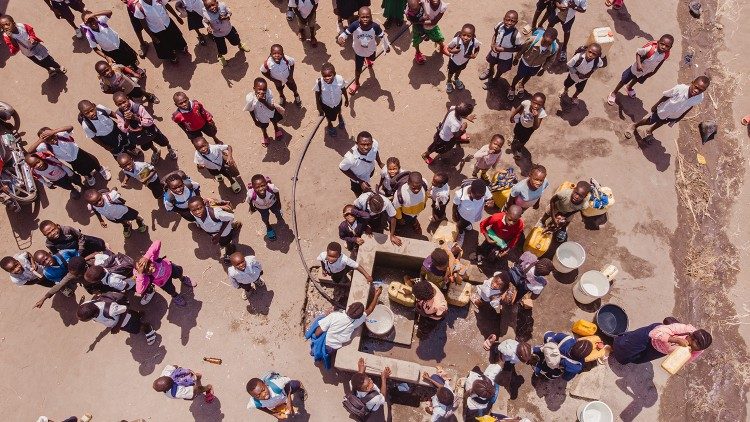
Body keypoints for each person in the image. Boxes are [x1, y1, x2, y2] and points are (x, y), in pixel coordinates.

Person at [307, 285, 382, 364]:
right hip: (334, 346)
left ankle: (314, 353)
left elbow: (318, 332)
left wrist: (316, 335)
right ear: (360, 316)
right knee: (327, 352)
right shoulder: (360, 320)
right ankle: (320, 358)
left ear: (348, 306)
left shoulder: (335, 316)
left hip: (326, 342)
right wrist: (376, 296)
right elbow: (370, 309)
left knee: (320, 323)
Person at [627, 76, 710, 145]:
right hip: (664, 110)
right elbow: (666, 96)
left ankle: (650, 130)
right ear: (692, 82)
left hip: (674, 115)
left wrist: (680, 117)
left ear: (704, 91)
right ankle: (635, 125)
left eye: (700, 90)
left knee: (661, 122)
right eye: (696, 87)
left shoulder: (700, 98)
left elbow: (690, 106)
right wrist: (656, 106)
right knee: (650, 120)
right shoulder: (680, 88)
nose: (696, 91)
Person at [29, 126, 111, 187]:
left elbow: (70, 127)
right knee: (81, 170)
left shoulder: (61, 134)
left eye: (52, 136)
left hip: (79, 153)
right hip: (71, 161)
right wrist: (40, 140)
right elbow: (30, 151)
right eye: (48, 139)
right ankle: (89, 176)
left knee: (92, 161)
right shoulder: (44, 146)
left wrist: (54, 131)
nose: (52, 140)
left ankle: (100, 169)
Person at [607, 35, 674, 106]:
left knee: (636, 80)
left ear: (670, 47)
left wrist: (654, 72)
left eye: (667, 46)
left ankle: (628, 88)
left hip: (646, 72)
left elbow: (660, 63)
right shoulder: (650, 49)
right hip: (635, 69)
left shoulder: (665, 54)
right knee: (624, 80)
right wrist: (639, 64)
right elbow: (638, 53)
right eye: (662, 44)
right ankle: (614, 92)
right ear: (658, 42)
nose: (664, 47)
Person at [336, 6, 390, 95]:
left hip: (371, 50)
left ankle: (368, 60)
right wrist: (340, 39)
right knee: (358, 69)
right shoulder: (354, 25)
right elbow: (345, 34)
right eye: (363, 17)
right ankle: (356, 82)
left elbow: (382, 36)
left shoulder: (375, 27)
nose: (365, 19)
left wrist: (386, 46)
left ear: (371, 16)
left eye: (367, 17)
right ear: (359, 16)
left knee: (372, 59)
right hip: (359, 52)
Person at [613, 317, 712, 365]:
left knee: (637, 360)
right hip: (652, 336)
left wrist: (680, 358)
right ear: (690, 335)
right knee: (623, 348)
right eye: (691, 340)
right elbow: (653, 333)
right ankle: (616, 341)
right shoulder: (684, 329)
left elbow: (684, 361)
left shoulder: (698, 351)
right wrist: (676, 340)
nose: (689, 344)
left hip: (661, 349)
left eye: (695, 347)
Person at [112, 92, 175, 163]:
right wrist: (127, 120)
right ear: (116, 104)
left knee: (164, 141)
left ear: (127, 98)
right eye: (119, 104)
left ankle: (170, 148)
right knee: (147, 144)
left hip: (150, 131)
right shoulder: (119, 114)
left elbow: (150, 121)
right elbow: (123, 130)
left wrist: (136, 118)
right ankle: (155, 151)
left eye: (124, 102)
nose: (123, 105)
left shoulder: (138, 107)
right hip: (139, 136)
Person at [77, 291, 158, 345]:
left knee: (135, 327)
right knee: (134, 315)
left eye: (88, 319)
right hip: (121, 317)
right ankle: (138, 316)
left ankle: (147, 327)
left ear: (94, 315)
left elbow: (125, 309)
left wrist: (117, 326)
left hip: (125, 321)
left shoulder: (110, 311)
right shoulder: (87, 304)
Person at [81, 10, 143, 74]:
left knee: (130, 57)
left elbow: (109, 12)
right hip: (111, 52)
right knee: (121, 64)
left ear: (96, 18)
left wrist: (94, 14)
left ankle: (136, 68)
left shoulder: (101, 21)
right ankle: (131, 72)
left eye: (93, 19)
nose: (92, 23)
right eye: (89, 22)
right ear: (85, 24)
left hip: (120, 44)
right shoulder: (89, 34)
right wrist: (106, 56)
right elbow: (95, 48)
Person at [0, 15, 66, 76]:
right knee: (40, 62)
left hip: (36, 46)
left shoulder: (21, 26)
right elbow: (14, 48)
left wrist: (32, 38)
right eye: (3, 26)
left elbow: (30, 31)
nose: (6, 27)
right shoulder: (6, 36)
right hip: (29, 53)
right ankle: (49, 69)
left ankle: (58, 66)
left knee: (48, 58)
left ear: (14, 23)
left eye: (7, 24)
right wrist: (11, 37)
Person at [134, 240, 193, 306]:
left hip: (171, 268)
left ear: (149, 260)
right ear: (144, 273)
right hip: (164, 283)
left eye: (149, 265)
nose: (150, 269)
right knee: (171, 290)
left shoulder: (153, 258)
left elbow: (157, 242)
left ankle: (183, 279)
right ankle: (175, 296)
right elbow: (139, 290)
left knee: (179, 272)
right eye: (146, 270)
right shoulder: (145, 277)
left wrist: (146, 256)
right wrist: (140, 273)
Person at [509, 28, 558, 100]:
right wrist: (516, 58)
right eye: (544, 41)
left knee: (529, 75)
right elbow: (523, 49)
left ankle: (521, 84)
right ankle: (512, 87)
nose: (545, 44)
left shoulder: (554, 48)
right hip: (525, 63)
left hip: (536, 66)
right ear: (543, 35)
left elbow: (550, 60)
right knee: (519, 75)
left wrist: (543, 69)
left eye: (549, 43)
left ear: (553, 40)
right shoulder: (533, 40)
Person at [188, 196, 240, 261]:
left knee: (225, 243)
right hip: (213, 232)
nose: (197, 212)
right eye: (194, 210)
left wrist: (219, 235)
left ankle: (230, 250)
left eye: (200, 208)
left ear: (204, 205)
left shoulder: (215, 214)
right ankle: (234, 227)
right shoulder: (193, 213)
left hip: (224, 233)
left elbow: (230, 218)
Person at [480, 10, 522, 90]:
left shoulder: (516, 35)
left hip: (505, 57)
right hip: (494, 53)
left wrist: (504, 49)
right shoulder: (499, 25)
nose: (509, 23)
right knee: (491, 62)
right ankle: (490, 71)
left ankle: (495, 79)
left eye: (512, 21)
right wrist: (492, 44)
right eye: (507, 20)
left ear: (516, 22)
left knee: (500, 69)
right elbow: (495, 35)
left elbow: (519, 48)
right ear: (504, 19)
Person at [202, 0, 250, 66]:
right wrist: (207, 27)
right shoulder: (206, 13)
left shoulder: (222, 6)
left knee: (235, 41)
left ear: (217, 2)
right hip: (217, 34)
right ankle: (220, 56)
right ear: (206, 8)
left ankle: (240, 44)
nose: (212, 8)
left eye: (213, 5)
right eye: (208, 7)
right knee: (222, 49)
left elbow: (229, 12)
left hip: (228, 29)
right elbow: (204, 21)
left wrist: (226, 17)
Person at [339, 131, 383, 195]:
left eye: (368, 144)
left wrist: (380, 163)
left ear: (372, 143)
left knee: (368, 181)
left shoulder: (375, 144)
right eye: (362, 144)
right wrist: (359, 181)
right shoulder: (350, 158)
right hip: (357, 179)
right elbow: (342, 168)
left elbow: (375, 151)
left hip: (370, 171)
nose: (366, 147)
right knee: (357, 191)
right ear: (357, 144)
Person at [243, 78, 284, 147]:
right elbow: (251, 110)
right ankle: (265, 135)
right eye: (259, 89)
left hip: (271, 113)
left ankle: (276, 129)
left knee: (274, 121)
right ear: (254, 88)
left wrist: (263, 101)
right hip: (261, 116)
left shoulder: (268, 93)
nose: (262, 91)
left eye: (264, 89)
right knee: (263, 126)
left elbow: (271, 108)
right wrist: (255, 120)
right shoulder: (250, 98)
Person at [508, 92, 547, 159]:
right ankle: (514, 139)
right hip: (520, 122)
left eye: (539, 105)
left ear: (542, 105)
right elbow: (518, 109)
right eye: (534, 103)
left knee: (524, 140)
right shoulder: (526, 103)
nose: (536, 106)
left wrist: (535, 117)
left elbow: (535, 127)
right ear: (531, 101)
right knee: (516, 132)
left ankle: (519, 149)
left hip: (529, 129)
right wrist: (512, 116)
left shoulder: (541, 113)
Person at [314, 62, 349, 137]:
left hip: (338, 101)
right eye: (324, 76)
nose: (327, 78)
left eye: (330, 75)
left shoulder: (339, 79)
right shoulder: (319, 82)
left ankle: (340, 116)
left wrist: (346, 99)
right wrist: (319, 108)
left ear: (334, 74)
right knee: (328, 116)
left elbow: (343, 89)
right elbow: (317, 95)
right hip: (326, 104)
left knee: (339, 109)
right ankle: (329, 124)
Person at [444, 24, 481, 93]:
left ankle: (456, 78)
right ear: (460, 34)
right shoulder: (456, 40)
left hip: (464, 61)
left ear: (473, 36)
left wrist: (475, 55)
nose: (466, 38)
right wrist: (452, 51)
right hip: (454, 61)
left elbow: (477, 47)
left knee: (459, 69)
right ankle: (449, 81)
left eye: (469, 36)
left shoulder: (474, 41)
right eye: (464, 35)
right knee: (451, 71)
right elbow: (448, 48)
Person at [247, 174, 284, 241]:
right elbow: (249, 201)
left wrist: (279, 202)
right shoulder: (251, 194)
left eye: (263, 185)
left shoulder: (271, 187)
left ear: (266, 184)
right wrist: (252, 207)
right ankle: (268, 226)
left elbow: (276, 192)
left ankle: (278, 215)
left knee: (276, 211)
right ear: (253, 187)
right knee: (265, 217)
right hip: (261, 208)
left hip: (272, 203)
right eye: (257, 187)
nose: (261, 189)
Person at [39, 220, 106, 256]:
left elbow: (81, 236)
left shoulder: (67, 229)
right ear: (45, 235)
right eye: (48, 233)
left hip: (81, 242)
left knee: (100, 243)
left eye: (53, 229)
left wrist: (80, 249)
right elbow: (57, 253)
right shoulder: (49, 244)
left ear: (57, 226)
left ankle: (104, 247)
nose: (52, 233)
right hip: (73, 251)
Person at [411, 0, 447, 65]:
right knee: (416, 40)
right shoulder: (423, 1)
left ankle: (442, 47)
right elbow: (412, 5)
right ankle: (418, 52)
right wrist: (410, 17)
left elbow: (434, 22)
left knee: (438, 37)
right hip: (418, 28)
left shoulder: (442, 7)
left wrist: (417, 22)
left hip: (431, 27)